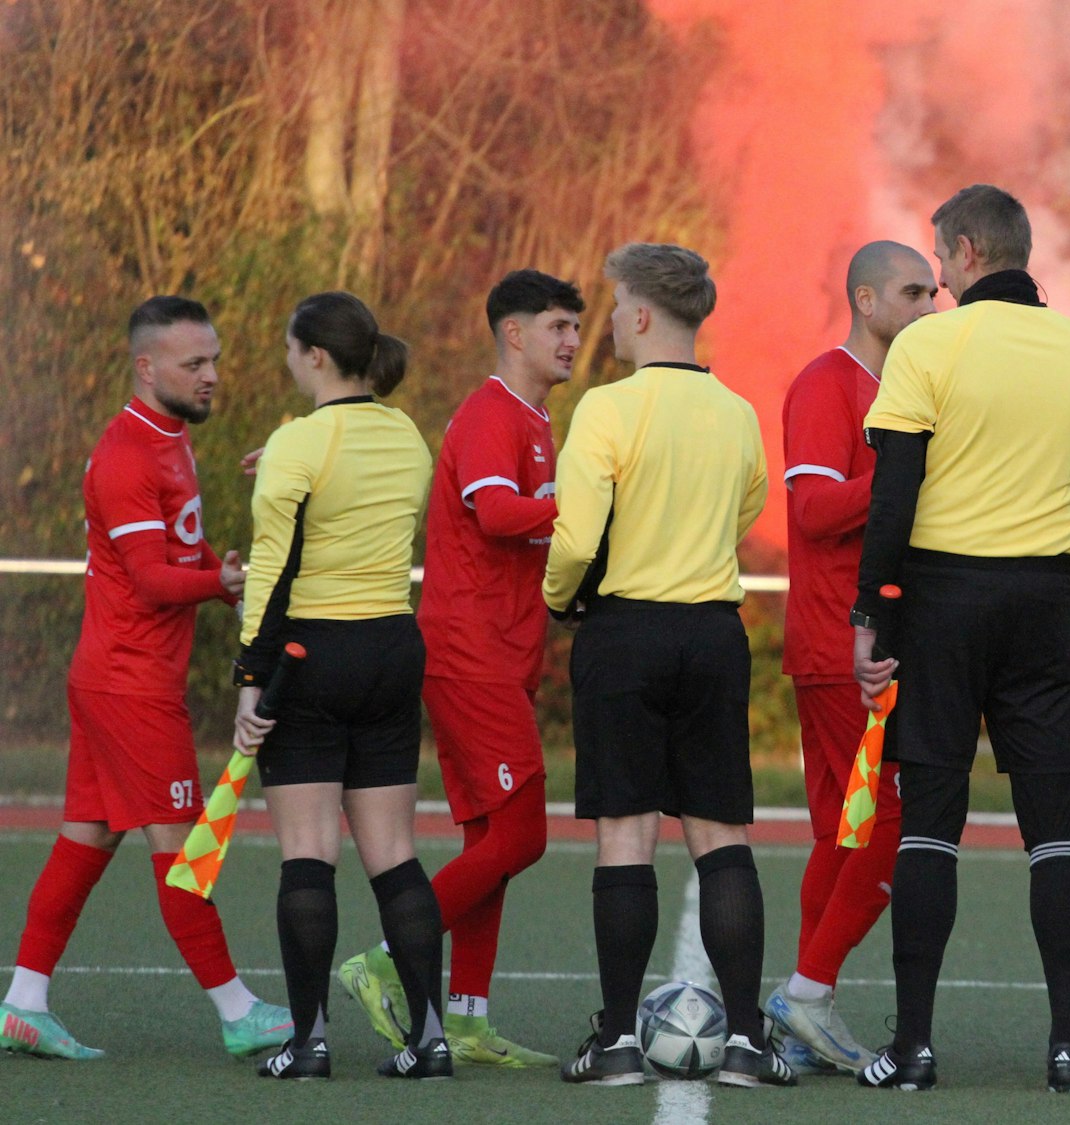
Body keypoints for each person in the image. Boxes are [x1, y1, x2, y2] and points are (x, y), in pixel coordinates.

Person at [851, 184, 1070, 1093]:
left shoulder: (928, 341)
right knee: (1057, 833)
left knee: (930, 826)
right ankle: (1069, 1050)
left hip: (941, 596)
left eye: (937, 258)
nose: (934, 275)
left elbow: (893, 495)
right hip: (1044, 596)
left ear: (966, 251)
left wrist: (870, 616)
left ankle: (915, 1046)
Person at [0, 298, 291, 1062]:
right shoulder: (129, 453)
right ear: (146, 367)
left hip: (120, 678)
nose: (212, 376)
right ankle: (236, 1010)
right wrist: (222, 587)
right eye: (194, 364)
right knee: (184, 850)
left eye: (214, 360)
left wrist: (214, 569)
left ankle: (24, 1001)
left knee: (83, 842)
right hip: (128, 685)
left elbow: (177, 555)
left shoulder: (173, 441)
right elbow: (150, 578)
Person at [547, 243, 787, 1090]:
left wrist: (559, 594)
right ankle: (751, 1042)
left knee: (626, 835)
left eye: (614, 304)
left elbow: (576, 537)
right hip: (712, 632)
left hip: (625, 629)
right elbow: (749, 504)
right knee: (722, 835)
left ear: (644, 314)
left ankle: (615, 1039)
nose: (608, 319)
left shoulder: (607, 411)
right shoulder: (736, 411)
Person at [337, 271, 582, 1068]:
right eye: (557, 326)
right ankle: (380, 960)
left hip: (505, 656)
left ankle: (468, 1016)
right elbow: (498, 511)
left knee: (492, 842)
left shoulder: (539, 419)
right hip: (468, 653)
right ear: (514, 334)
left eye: (573, 327)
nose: (572, 340)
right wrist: (588, 503)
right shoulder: (489, 413)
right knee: (525, 832)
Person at [233, 292, 440, 1081]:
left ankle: (310, 1040)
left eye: (290, 349)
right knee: (394, 855)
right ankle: (429, 1039)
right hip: (392, 645)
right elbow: (350, 476)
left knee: (308, 855)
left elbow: (272, 574)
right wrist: (285, 455)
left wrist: (251, 679)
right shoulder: (406, 434)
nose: (287, 359)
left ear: (315, 355)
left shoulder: (298, 444)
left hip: (310, 653)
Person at [764, 241, 937, 1075]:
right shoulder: (827, 383)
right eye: (912, 291)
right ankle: (807, 988)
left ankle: (802, 1013)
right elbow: (812, 509)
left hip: (866, 640)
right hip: (843, 644)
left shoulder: (899, 389)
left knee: (842, 828)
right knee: (886, 825)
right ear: (866, 300)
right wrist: (908, 478)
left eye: (933, 290)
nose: (928, 304)